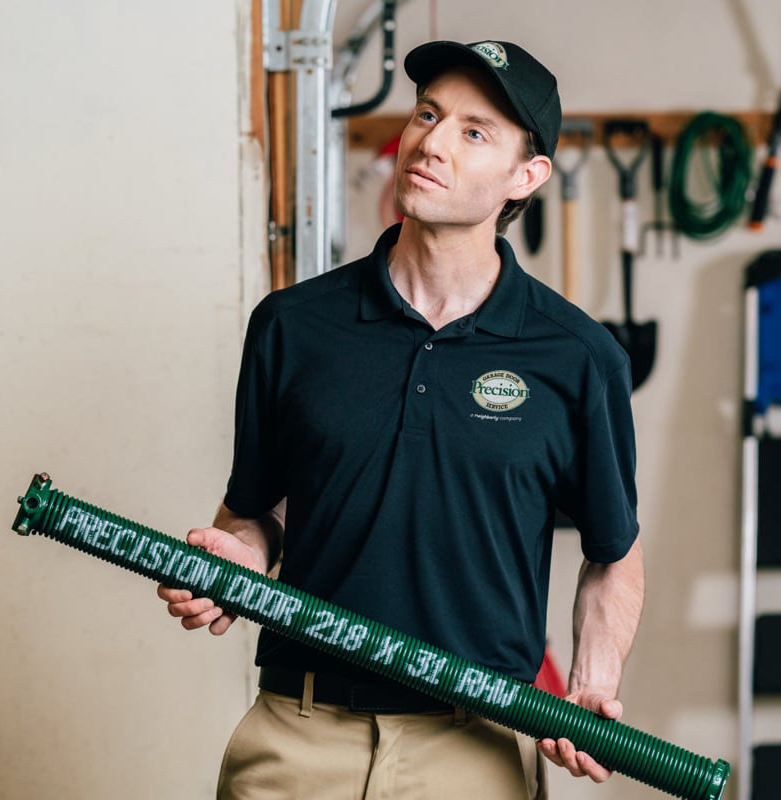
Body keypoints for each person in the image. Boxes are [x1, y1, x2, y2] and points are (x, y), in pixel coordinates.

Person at [158, 39, 644, 799]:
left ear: (528, 176)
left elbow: (614, 552)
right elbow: (259, 512)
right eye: (427, 113)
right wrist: (240, 560)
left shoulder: (579, 358)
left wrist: (591, 682)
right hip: (296, 734)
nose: (432, 141)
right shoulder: (293, 325)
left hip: (473, 746)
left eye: (474, 132)